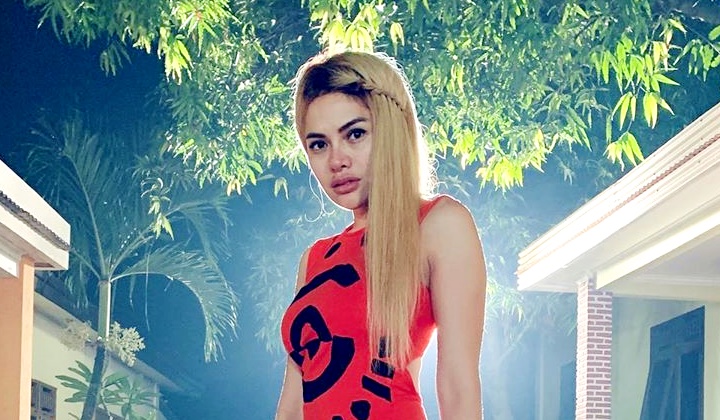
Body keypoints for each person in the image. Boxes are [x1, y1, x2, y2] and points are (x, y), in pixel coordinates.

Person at [275, 50, 487, 420]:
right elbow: (294, 403)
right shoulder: (315, 259)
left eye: (355, 134)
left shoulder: (437, 224)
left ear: (390, 131)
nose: (336, 160)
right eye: (319, 144)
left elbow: (458, 386)